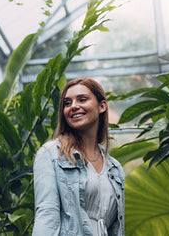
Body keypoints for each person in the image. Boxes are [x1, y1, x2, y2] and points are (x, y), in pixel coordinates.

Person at [32, 78, 125, 236]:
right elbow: (47, 216)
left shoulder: (114, 168)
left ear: (102, 106)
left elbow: (116, 228)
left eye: (82, 99)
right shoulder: (51, 154)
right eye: (67, 103)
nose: (74, 106)